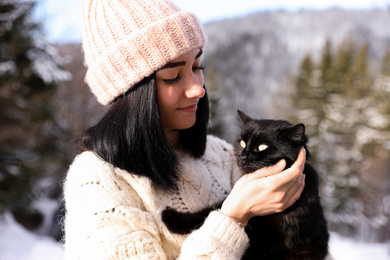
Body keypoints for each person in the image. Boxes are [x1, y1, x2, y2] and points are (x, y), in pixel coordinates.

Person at [63, 0, 306, 259]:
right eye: (172, 76)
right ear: (131, 93)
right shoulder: (96, 181)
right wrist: (233, 217)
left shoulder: (223, 156)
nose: (198, 89)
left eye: (196, 67)